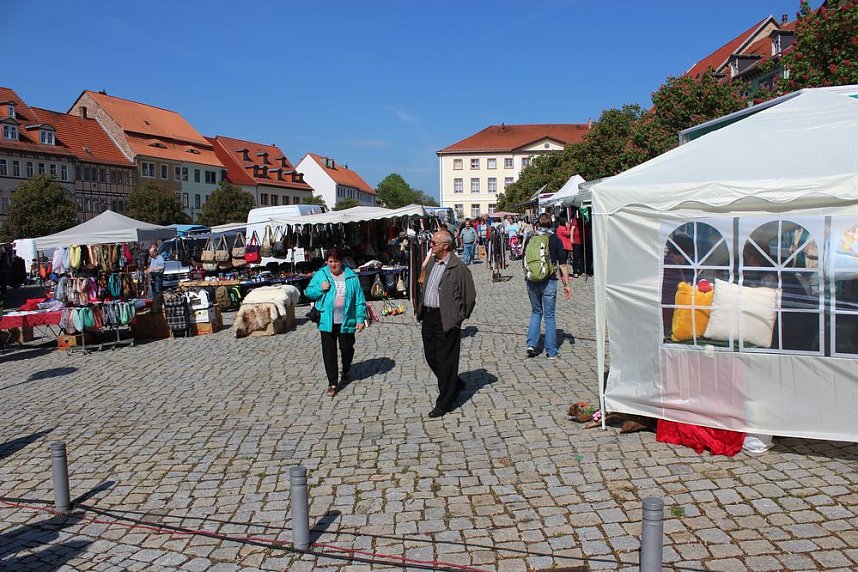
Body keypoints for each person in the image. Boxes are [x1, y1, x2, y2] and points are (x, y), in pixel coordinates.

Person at [416, 229, 476, 418]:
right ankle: (453, 382)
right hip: (429, 316)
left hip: (447, 317)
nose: (431, 245)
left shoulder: (458, 268)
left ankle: (445, 401)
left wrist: (458, 316)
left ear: (446, 246)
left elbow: (469, 296)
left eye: (434, 243)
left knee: (446, 359)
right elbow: (424, 284)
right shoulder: (433, 262)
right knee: (431, 356)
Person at [305, 248, 367, 398]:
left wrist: (360, 319)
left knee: (347, 348)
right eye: (330, 262)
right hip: (327, 320)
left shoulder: (351, 277)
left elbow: (359, 299)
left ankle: (346, 369)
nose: (333, 265)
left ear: (341, 262)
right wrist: (321, 288)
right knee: (329, 353)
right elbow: (308, 292)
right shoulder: (321, 274)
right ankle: (332, 383)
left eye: (336, 262)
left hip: (346, 320)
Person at [524, 213, 571, 359]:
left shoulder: (530, 238)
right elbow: (562, 264)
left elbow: (524, 260)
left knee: (536, 312)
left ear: (537, 224)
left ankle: (531, 344)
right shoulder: (555, 240)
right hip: (549, 280)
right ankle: (551, 351)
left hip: (532, 281)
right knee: (549, 316)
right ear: (551, 224)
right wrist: (567, 284)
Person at [145, 243, 165, 308]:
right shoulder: (153, 259)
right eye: (150, 253)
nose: (150, 254)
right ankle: (156, 306)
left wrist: (152, 269)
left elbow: (162, 267)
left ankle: (159, 306)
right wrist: (148, 270)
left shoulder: (159, 258)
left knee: (158, 293)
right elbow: (151, 268)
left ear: (155, 252)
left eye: (151, 253)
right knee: (154, 293)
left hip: (158, 278)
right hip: (153, 278)